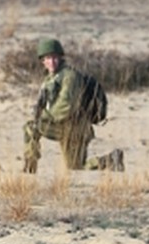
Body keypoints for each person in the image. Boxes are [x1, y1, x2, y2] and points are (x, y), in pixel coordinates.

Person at [22, 38, 123, 174]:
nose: (52, 62)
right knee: (32, 127)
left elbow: (66, 104)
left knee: (75, 166)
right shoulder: (51, 78)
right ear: (42, 61)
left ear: (60, 57)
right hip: (63, 125)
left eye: (55, 58)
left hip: (76, 128)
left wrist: (45, 116)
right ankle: (30, 168)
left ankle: (110, 160)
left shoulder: (70, 76)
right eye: (48, 58)